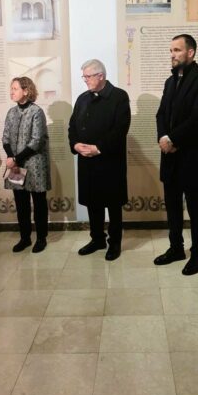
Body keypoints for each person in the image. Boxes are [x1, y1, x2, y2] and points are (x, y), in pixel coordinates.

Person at [154, 34, 198, 275]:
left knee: (194, 207)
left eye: (177, 50)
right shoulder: (170, 82)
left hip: (191, 154)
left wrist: (173, 139)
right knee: (172, 205)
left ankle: (197, 254)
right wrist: (163, 137)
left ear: (190, 52)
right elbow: (161, 114)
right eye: (171, 50)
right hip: (169, 155)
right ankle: (176, 248)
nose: (173, 54)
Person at [68, 59, 131, 261]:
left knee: (113, 204)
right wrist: (75, 144)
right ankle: (97, 239)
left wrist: (98, 148)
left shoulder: (119, 97)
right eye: (84, 76)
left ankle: (115, 243)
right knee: (92, 202)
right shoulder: (82, 99)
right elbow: (72, 126)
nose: (85, 80)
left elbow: (120, 129)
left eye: (88, 76)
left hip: (109, 161)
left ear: (100, 76)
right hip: (87, 161)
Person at [3, 77, 51, 253]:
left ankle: (41, 238)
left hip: (35, 163)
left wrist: (15, 159)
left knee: (39, 203)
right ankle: (25, 238)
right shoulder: (11, 112)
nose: (12, 92)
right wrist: (11, 157)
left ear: (26, 91)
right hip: (16, 164)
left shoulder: (36, 112)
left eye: (15, 88)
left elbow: (37, 140)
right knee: (21, 203)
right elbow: (5, 138)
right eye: (11, 88)